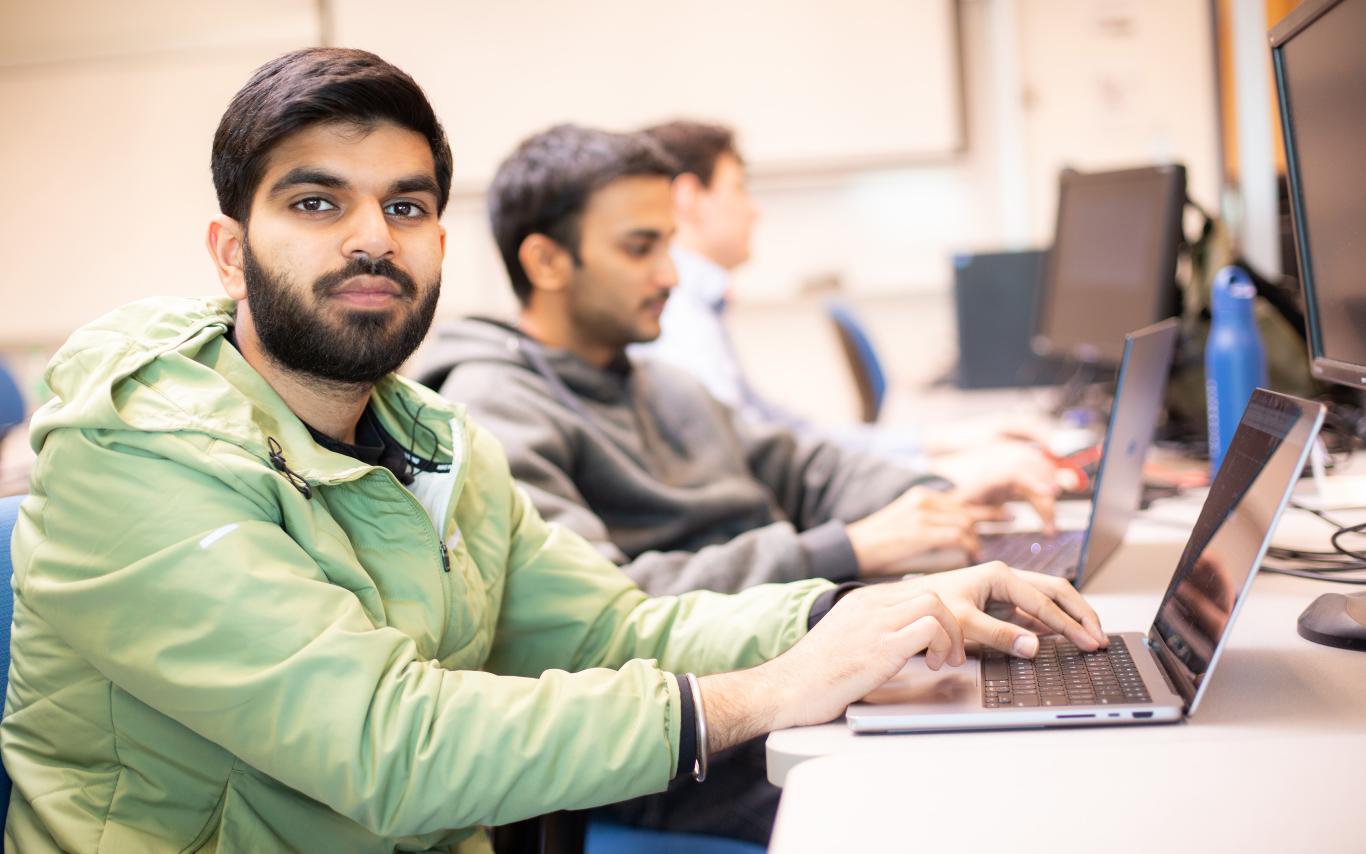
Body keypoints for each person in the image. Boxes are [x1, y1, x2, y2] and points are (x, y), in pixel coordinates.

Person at [2, 50, 1106, 854]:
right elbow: (393, 742)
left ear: (439, 240)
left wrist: (859, 613)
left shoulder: (434, 444)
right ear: (233, 254)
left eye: (406, 203)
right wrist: (766, 691)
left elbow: (613, 624)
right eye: (315, 201)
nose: (371, 236)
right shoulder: (133, 453)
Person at [433, 124, 1072, 842]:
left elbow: (806, 466)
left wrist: (932, 497)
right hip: (686, 735)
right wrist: (844, 553)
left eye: (669, 244)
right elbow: (611, 615)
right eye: (641, 248)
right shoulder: (497, 408)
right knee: (954, 796)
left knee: (1010, 708)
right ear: (547, 261)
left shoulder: (659, 380)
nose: (671, 274)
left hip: (786, 657)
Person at [633, 119, 1056, 460]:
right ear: (690, 197)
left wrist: (930, 443)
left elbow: (783, 434)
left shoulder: (699, 309)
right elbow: (749, 460)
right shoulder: (676, 317)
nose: (754, 209)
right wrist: (936, 476)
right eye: (739, 188)